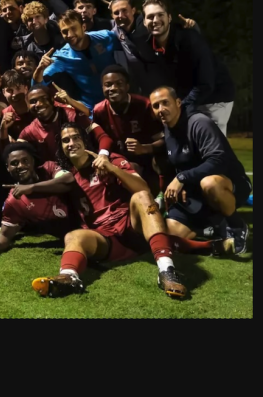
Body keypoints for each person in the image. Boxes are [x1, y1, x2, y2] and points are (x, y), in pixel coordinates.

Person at [30, 122, 223, 299]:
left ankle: (166, 271)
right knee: (73, 236)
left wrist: (112, 168)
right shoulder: (69, 179)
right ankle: (68, 278)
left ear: (85, 140)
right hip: (107, 239)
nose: (71, 143)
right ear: (61, 148)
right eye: (65, 140)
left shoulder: (110, 159)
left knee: (141, 197)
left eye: (76, 138)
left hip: (132, 227)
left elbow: (143, 188)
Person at [150, 86, 251, 254]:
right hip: (196, 191)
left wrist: (182, 178)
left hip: (230, 184)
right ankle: (212, 226)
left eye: (165, 103)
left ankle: (237, 226)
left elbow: (218, 161)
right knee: (169, 233)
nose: (161, 109)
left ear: (178, 103)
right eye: (156, 106)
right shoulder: (168, 128)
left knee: (210, 183)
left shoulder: (198, 122)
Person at [135, 0, 236, 135]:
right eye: (150, 17)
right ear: (144, 22)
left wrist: (179, 107)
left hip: (214, 98)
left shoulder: (191, 40)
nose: (155, 20)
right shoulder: (147, 44)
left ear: (169, 17)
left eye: (160, 15)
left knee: (212, 147)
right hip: (187, 97)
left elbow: (205, 84)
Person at [0, 142, 78, 257]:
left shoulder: (49, 168)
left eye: (25, 161)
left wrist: (32, 188)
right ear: (8, 168)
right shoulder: (14, 201)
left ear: (33, 161)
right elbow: (5, 235)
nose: (20, 165)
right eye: (14, 163)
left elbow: (69, 180)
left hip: (88, 224)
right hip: (70, 238)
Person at [92, 65, 165, 194]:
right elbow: (102, 139)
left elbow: (164, 141)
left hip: (149, 158)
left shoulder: (144, 105)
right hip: (120, 162)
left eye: (119, 84)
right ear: (102, 88)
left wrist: (144, 148)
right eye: (108, 84)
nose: (113, 88)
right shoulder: (99, 110)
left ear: (127, 86)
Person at [32, 9, 120, 109]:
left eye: (73, 29)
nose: (69, 35)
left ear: (83, 27)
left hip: (120, 97)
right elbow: (37, 85)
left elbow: (128, 48)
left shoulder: (105, 37)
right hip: (91, 108)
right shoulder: (62, 57)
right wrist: (40, 69)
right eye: (65, 31)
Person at [19, 85, 113, 164]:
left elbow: (103, 137)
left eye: (44, 98)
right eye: (33, 102)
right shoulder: (29, 131)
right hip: (60, 175)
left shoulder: (72, 115)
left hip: (88, 165)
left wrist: (102, 155)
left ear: (52, 99)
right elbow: (15, 153)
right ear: (27, 105)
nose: (39, 104)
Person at [27, 0, 113, 32]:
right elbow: (63, 11)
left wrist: (117, 7)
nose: (84, 10)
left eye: (88, 7)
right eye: (80, 7)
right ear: (74, 10)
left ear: (94, 11)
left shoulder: (106, 26)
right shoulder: (68, 24)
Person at [0, 70, 33, 140]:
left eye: (18, 88)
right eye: (9, 90)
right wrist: (3, 129)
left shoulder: (36, 108)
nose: (14, 94)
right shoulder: (3, 115)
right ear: (3, 92)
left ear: (26, 88)